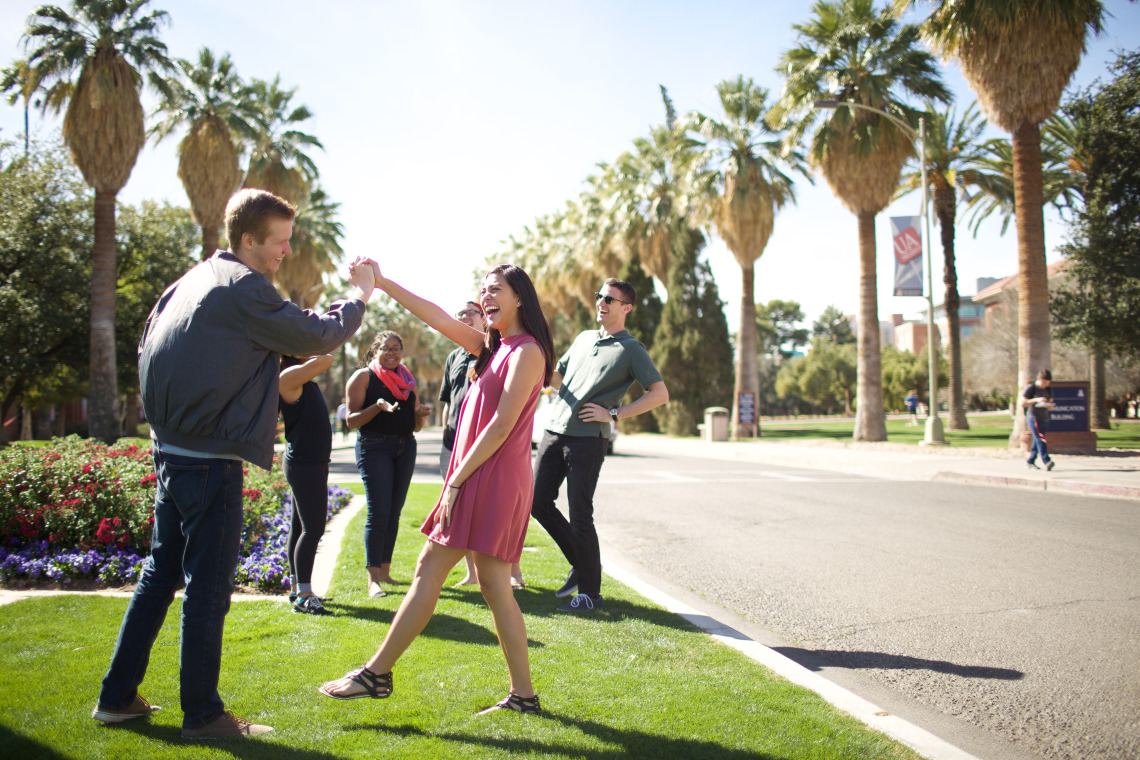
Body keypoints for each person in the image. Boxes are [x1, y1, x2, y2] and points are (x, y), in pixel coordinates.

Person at [92, 188, 374, 738]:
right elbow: (319, 333)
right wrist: (358, 295)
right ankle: (202, 715)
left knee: (159, 574)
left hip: (173, 454)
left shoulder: (193, 280)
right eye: (279, 242)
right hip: (209, 463)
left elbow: (155, 350)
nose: (285, 253)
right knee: (206, 588)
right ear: (248, 240)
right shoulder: (244, 287)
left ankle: (116, 698)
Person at [319, 262, 554, 715]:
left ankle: (375, 674)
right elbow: (438, 318)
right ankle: (524, 696)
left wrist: (456, 481)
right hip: (479, 475)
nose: (486, 298)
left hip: (490, 478)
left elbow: (503, 425)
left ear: (520, 296)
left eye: (497, 290)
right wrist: (383, 284)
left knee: (431, 567)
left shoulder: (527, 352)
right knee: (494, 587)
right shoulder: (492, 347)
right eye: (483, 290)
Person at [531, 278, 669, 614]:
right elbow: (557, 376)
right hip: (553, 431)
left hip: (588, 441)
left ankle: (590, 594)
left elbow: (659, 393)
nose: (601, 303)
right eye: (599, 297)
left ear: (626, 307)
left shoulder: (631, 349)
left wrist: (615, 412)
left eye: (610, 299)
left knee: (580, 515)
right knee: (536, 503)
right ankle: (582, 564)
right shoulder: (582, 339)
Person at [440, 301, 525, 590]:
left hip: (489, 451)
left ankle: (513, 570)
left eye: (470, 313)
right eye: (460, 314)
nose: (464, 317)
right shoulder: (455, 357)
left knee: (492, 521)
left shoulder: (507, 350)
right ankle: (473, 573)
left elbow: (502, 425)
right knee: (458, 519)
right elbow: (449, 400)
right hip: (454, 445)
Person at [347, 331, 432, 599]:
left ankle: (385, 572)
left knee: (394, 512)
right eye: (386, 348)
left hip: (405, 447)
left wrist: (419, 415)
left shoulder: (408, 381)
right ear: (375, 351)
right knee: (378, 512)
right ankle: (373, 580)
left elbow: (416, 427)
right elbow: (351, 421)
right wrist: (376, 407)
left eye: (397, 348)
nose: (392, 353)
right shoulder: (363, 377)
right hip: (374, 447)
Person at [279, 354, 335, 616]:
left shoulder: (303, 379)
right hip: (304, 465)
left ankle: (297, 588)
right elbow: (327, 358)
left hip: (311, 463)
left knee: (300, 527)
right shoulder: (288, 378)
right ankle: (304, 596)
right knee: (313, 529)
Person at [1021, 369, 1055, 471]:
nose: (1045, 385)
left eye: (1047, 383)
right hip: (1033, 416)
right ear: (1039, 379)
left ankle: (1030, 461)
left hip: (1044, 417)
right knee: (1040, 438)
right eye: (1044, 382)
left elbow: (1051, 403)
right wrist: (1036, 400)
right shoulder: (1031, 388)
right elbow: (1023, 403)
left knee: (1037, 439)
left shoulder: (1048, 390)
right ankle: (1046, 460)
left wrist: (1049, 406)